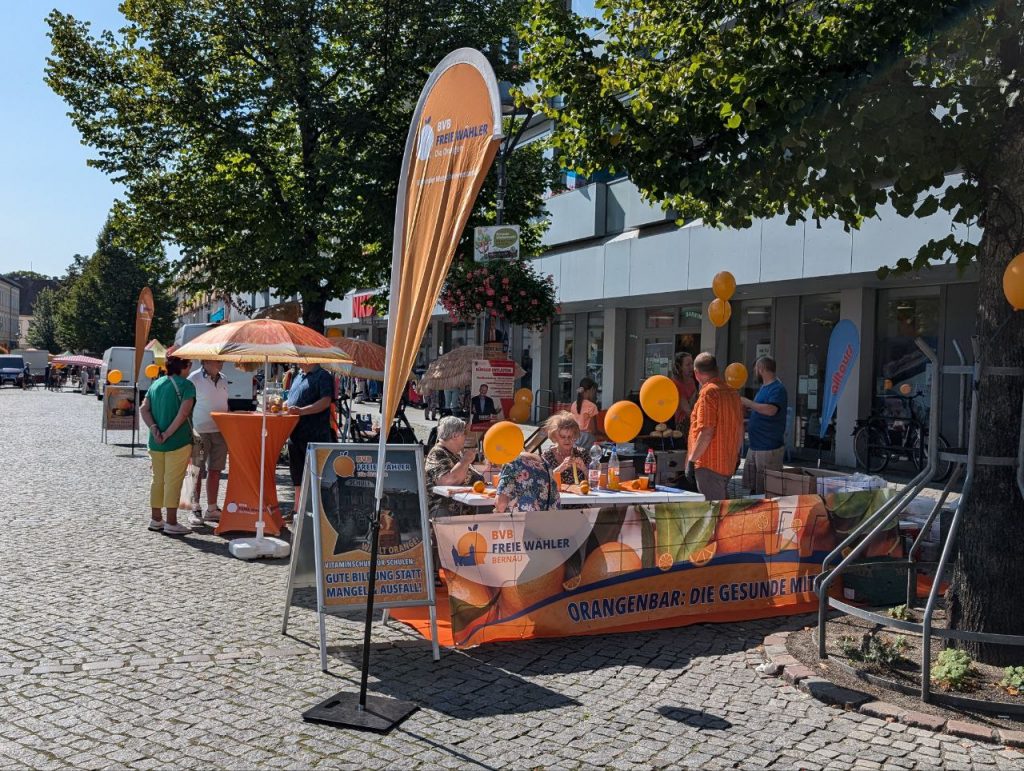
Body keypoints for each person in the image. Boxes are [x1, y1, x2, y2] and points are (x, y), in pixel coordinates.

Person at [140, 355, 196, 535]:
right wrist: (167, 434)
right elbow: (183, 413)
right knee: (173, 481)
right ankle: (172, 522)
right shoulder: (187, 385)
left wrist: (155, 429)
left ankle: (156, 518)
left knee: (157, 480)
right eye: (189, 366)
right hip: (177, 441)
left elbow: (143, 409)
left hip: (155, 442)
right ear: (184, 367)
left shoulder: (156, 384)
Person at [686, 353, 744, 502]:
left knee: (714, 515)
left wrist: (692, 461)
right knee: (723, 510)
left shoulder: (708, 393)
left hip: (708, 464)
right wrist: (736, 454)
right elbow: (739, 428)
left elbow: (706, 431)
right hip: (727, 462)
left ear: (697, 374)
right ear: (717, 369)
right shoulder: (733, 392)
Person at [285, 362, 335, 518]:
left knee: (316, 475)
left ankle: (318, 514)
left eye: (302, 356)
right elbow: (292, 399)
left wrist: (301, 411)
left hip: (315, 435)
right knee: (297, 474)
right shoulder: (298, 375)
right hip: (296, 433)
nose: (299, 360)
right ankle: (297, 511)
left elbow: (325, 401)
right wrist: (284, 405)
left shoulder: (323, 376)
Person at [186, 359, 230, 526]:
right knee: (197, 471)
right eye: (217, 360)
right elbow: (187, 407)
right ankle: (194, 508)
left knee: (216, 470)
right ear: (205, 361)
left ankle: (212, 509)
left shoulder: (224, 378)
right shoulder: (194, 378)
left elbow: (225, 403)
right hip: (200, 431)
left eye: (221, 360)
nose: (221, 362)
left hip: (220, 430)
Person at [740, 356, 789, 495]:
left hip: (768, 446)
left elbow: (771, 410)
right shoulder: (764, 388)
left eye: (756, 368)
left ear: (761, 369)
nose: (755, 371)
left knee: (766, 488)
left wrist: (748, 403)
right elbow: (760, 410)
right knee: (754, 486)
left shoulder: (777, 388)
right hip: (756, 445)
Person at [423, 416, 483, 518]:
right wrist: (465, 460)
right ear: (455, 435)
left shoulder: (455, 454)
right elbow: (446, 481)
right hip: (445, 511)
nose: (465, 437)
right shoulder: (437, 453)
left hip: (463, 508)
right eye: (464, 433)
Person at [495, 452, 560, 513]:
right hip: (551, 521)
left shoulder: (512, 463)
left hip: (525, 522)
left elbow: (501, 505)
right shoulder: (544, 461)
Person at [542, 411, 590, 486]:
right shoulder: (547, 455)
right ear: (555, 437)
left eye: (570, 436)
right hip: (556, 496)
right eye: (563, 436)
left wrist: (584, 469)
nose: (567, 440)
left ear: (575, 436)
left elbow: (595, 481)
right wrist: (560, 468)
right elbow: (542, 481)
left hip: (579, 495)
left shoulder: (582, 453)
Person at [671, 352, 698, 430]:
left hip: (692, 420)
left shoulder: (691, 380)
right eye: (688, 365)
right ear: (680, 367)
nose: (691, 367)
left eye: (692, 363)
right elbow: (687, 410)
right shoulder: (676, 384)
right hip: (681, 424)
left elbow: (697, 399)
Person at [570, 377, 599, 448]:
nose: (595, 395)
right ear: (591, 390)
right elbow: (593, 430)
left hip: (575, 437)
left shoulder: (574, 404)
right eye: (595, 392)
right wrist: (603, 435)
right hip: (587, 439)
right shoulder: (592, 406)